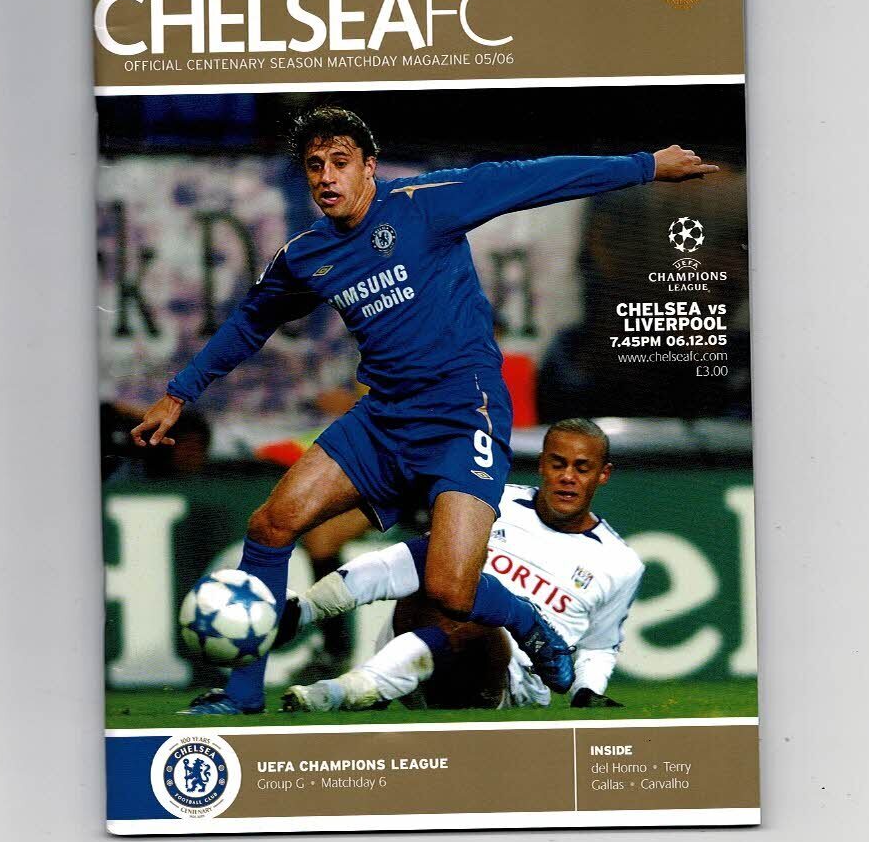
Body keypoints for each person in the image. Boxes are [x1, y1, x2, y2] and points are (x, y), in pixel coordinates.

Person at [134, 104, 713, 714]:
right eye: (314, 166)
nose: (326, 177)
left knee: (450, 592)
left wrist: (645, 165)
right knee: (270, 526)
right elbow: (251, 322)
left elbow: (533, 179)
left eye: (339, 162)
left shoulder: (425, 204)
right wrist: (179, 393)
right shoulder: (306, 256)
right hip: (383, 419)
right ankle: (242, 695)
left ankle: (526, 621)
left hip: (463, 416)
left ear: (369, 166)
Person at [280, 418, 644, 712]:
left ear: (603, 474)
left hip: (506, 682)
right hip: (417, 640)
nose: (568, 477)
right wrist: (310, 607)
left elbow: (600, 645)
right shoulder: (492, 500)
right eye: (558, 464)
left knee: (471, 609)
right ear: (541, 464)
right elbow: (407, 563)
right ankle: (307, 614)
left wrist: (588, 691)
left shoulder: (620, 562)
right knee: (438, 564)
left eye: (582, 468)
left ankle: (348, 690)